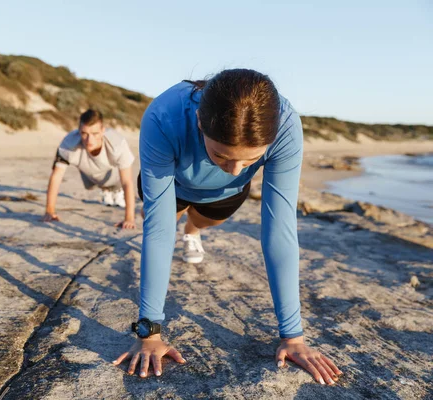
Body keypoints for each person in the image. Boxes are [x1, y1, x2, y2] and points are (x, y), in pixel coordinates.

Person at [113, 70, 343, 384]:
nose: (235, 168)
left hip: (224, 197)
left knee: (201, 221)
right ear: (198, 121)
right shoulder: (164, 115)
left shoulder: (286, 125)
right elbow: (157, 229)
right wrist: (149, 332)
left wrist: (293, 337)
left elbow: (280, 228)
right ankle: (183, 220)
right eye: (221, 154)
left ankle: (192, 231)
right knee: (166, 222)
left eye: (250, 160)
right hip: (172, 183)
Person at [43, 109, 137, 229]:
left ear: (103, 131)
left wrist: (129, 218)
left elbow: (127, 181)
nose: (89, 140)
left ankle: (115, 191)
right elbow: (56, 177)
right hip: (89, 175)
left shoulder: (117, 144)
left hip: (112, 175)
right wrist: (49, 211)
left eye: (95, 134)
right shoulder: (68, 144)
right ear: (79, 131)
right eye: (84, 133)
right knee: (90, 185)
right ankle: (106, 190)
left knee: (116, 183)